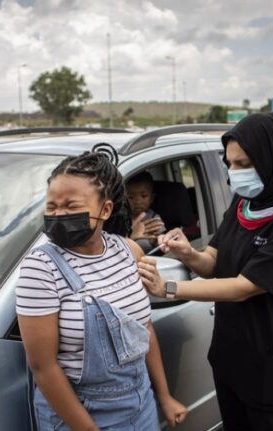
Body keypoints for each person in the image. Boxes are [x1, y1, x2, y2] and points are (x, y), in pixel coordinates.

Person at [137, 113, 273, 431]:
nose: (234, 174)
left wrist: (167, 288)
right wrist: (189, 254)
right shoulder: (246, 202)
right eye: (230, 164)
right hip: (231, 353)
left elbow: (246, 286)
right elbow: (214, 261)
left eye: (243, 164)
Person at [16, 147, 188, 430]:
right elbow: (43, 369)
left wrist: (164, 396)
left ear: (105, 209)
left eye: (71, 207)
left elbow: (143, 330)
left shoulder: (128, 250)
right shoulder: (40, 269)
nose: (59, 214)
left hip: (140, 403)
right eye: (51, 206)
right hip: (79, 415)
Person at [126, 171, 165, 253]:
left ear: (152, 198)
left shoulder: (154, 219)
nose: (137, 201)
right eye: (131, 197)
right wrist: (131, 235)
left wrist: (155, 241)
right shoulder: (121, 219)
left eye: (143, 196)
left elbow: (161, 244)